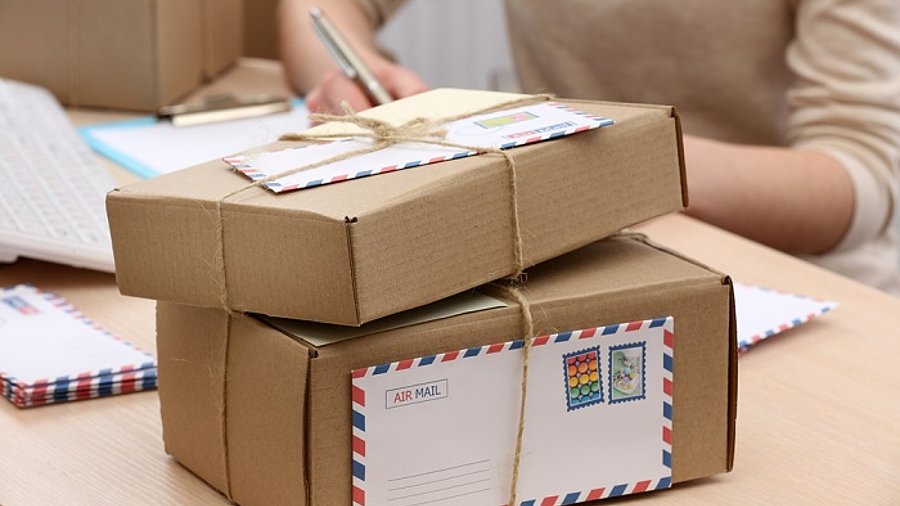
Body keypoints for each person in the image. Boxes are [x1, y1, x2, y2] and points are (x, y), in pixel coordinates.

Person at [278, 0, 900, 294]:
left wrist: (605, 155)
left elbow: (863, 180)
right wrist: (358, 79)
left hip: (798, 283)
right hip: (581, 251)